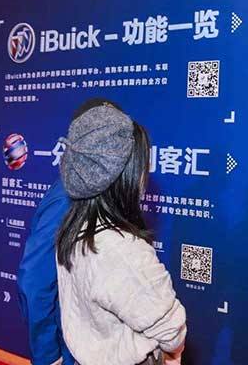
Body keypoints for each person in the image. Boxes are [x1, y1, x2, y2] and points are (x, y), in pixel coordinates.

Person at [55, 103, 186, 365]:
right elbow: (172, 333)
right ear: (126, 176)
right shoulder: (121, 249)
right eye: (143, 165)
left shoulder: (75, 229)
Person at [18, 98, 123, 365]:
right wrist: (48, 354)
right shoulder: (68, 197)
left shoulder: (94, 190)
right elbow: (35, 280)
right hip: (70, 349)